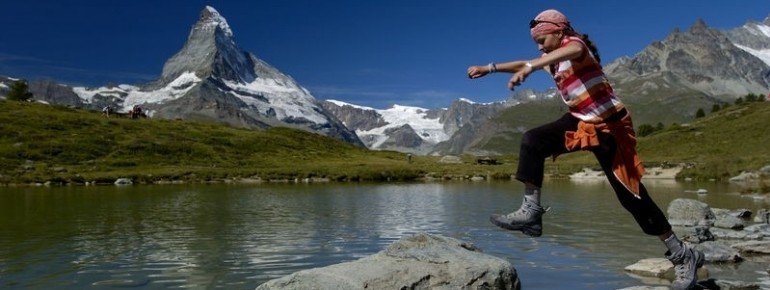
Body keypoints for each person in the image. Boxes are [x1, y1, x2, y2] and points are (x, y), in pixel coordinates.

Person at [467, 9, 704, 290]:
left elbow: (571, 49)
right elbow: (524, 61)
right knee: (532, 140)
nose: (539, 47)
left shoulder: (578, 49)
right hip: (580, 120)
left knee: (632, 198)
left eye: (542, 40)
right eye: (537, 43)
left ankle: (682, 254)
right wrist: (490, 68)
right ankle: (531, 212)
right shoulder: (552, 60)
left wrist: (531, 66)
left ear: (560, 32)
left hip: (609, 126)